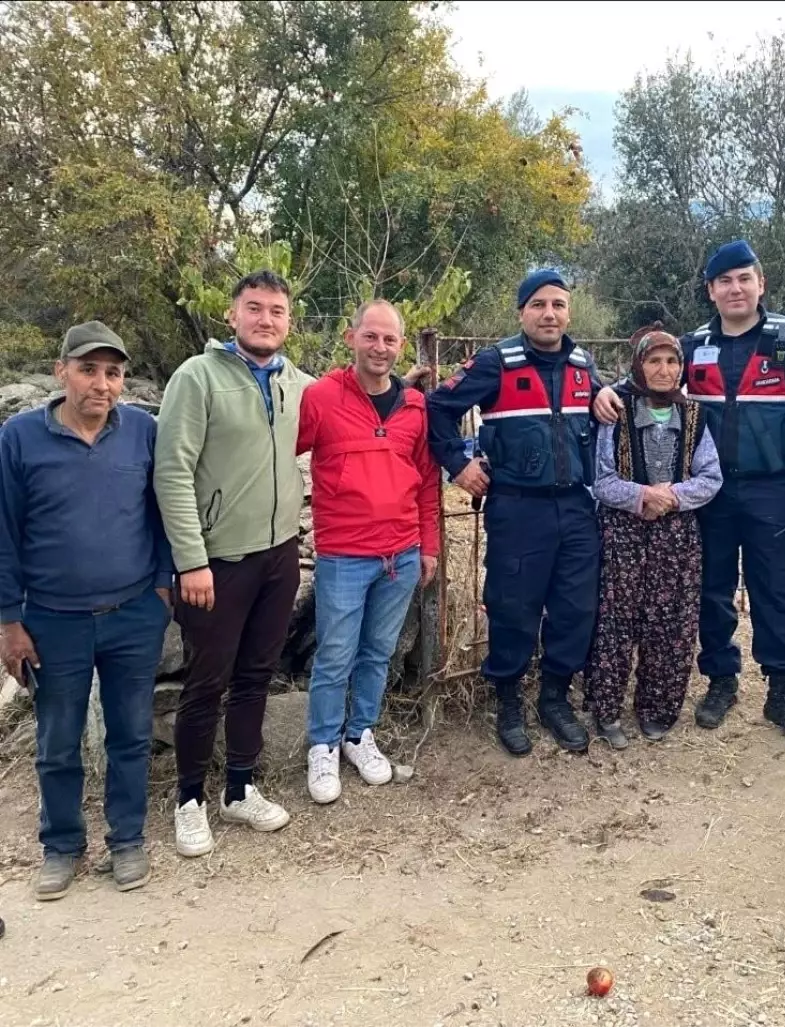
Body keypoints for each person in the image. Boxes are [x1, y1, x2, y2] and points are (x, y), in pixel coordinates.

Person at [594, 241, 785, 746]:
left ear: (760, 283)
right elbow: (644, 378)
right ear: (710, 290)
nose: (735, 289)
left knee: (775, 588)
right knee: (712, 590)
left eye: (744, 278)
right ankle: (721, 680)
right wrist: (607, 390)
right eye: (724, 281)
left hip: (773, 487)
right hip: (709, 494)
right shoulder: (694, 343)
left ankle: (783, 690)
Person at [0, 323, 173, 900]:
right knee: (57, 740)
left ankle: (126, 840)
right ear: (61, 371)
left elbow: (164, 506)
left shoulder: (142, 431)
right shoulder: (20, 438)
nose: (102, 384)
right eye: (89, 370)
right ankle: (62, 846)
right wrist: (9, 621)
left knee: (129, 735)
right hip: (53, 620)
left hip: (132, 613)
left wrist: (163, 586)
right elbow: (4, 534)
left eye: (113, 373)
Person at [155, 270, 313, 857]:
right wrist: (190, 560)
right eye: (255, 308)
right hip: (215, 563)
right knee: (206, 683)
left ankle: (240, 788)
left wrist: (412, 385)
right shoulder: (196, 378)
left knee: (255, 677)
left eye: (276, 310)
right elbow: (171, 471)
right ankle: (190, 800)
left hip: (279, 555)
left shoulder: (298, 384)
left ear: (288, 321)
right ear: (232, 315)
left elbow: (354, 398)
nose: (265, 319)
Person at [427, 270, 602, 756]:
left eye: (559, 305)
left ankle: (554, 699)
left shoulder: (585, 367)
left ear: (569, 312)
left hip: (576, 508)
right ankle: (507, 701)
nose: (550, 314)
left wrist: (609, 393)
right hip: (519, 509)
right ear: (522, 311)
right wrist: (459, 466)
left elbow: (610, 408)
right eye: (539, 305)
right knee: (513, 608)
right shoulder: (495, 363)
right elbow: (437, 408)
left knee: (574, 609)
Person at [298, 300, 441, 803]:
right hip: (344, 555)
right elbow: (275, 454)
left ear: (400, 347)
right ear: (350, 337)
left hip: (401, 555)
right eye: (371, 336)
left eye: (390, 340)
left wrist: (429, 545)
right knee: (335, 655)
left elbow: (426, 480)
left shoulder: (415, 407)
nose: (380, 348)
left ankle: (359, 734)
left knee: (377, 652)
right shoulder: (319, 398)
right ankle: (323, 745)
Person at [583, 326, 722, 747]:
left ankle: (657, 709)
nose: (664, 370)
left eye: (672, 361)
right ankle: (607, 711)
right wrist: (642, 495)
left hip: (677, 535)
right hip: (624, 532)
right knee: (615, 621)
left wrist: (672, 497)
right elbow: (602, 479)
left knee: (671, 624)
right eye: (655, 361)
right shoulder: (616, 411)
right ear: (639, 366)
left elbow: (710, 477)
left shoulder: (695, 415)